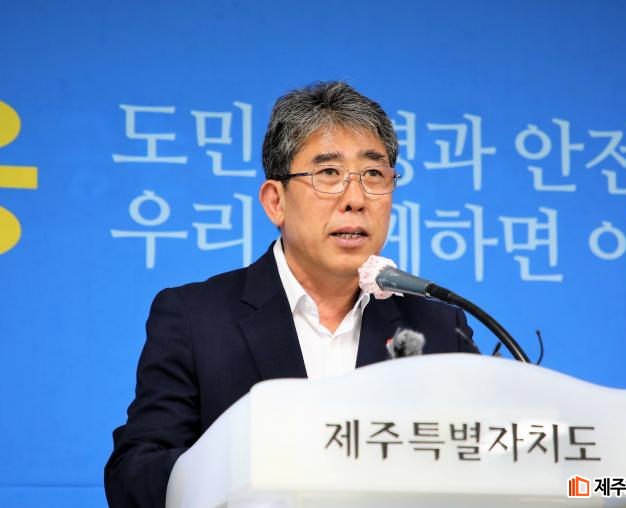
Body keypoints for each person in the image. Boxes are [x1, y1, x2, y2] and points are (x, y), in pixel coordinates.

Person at [104, 81, 478, 507]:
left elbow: (485, 462)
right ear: (275, 202)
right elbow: (135, 476)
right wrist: (246, 465)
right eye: (328, 173)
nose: (355, 199)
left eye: (374, 174)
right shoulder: (196, 319)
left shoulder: (440, 328)